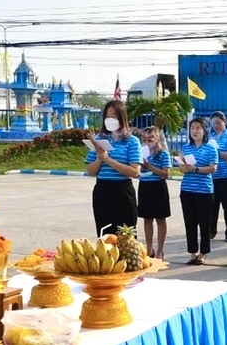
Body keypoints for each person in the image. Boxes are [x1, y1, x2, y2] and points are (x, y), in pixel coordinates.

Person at [85, 100, 142, 237]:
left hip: (122, 191)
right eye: (107, 116)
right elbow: (91, 171)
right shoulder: (99, 139)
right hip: (102, 191)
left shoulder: (132, 141)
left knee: (125, 236)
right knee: (105, 235)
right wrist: (100, 158)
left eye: (114, 116)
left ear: (122, 118)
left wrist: (108, 160)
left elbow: (135, 172)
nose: (110, 119)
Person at [179, 118, 218, 265]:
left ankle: (203, 252)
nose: (194, 131)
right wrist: (184, 166)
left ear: (204, 130)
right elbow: (181, 168)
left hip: (204, 191)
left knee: (204, 223)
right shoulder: (186, 147)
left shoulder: (210, 148)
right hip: (187, 189)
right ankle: (192, 252)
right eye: (192, 128)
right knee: (190, 222)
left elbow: (213, 168)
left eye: (198, 128)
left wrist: (195, 169)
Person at [137, 126, 171, 260]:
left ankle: (160, 250)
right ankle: (149, 248)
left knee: (160, 219)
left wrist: (149, 166)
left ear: (157, 139)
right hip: (145, 186)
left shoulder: (163, 154)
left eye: (150, 139)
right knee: (147, 219)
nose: (147, 142)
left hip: (158, 187)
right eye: (144, 139)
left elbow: (166, 174)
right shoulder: (140, 153)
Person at [210, 111, 227, 243]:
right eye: (213, 123)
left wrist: (217, 153)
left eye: (218, 122)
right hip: (213, 177)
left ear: (224, 122)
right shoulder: (210, 137)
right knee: (212, 207)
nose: (216, 125)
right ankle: (211, 231)